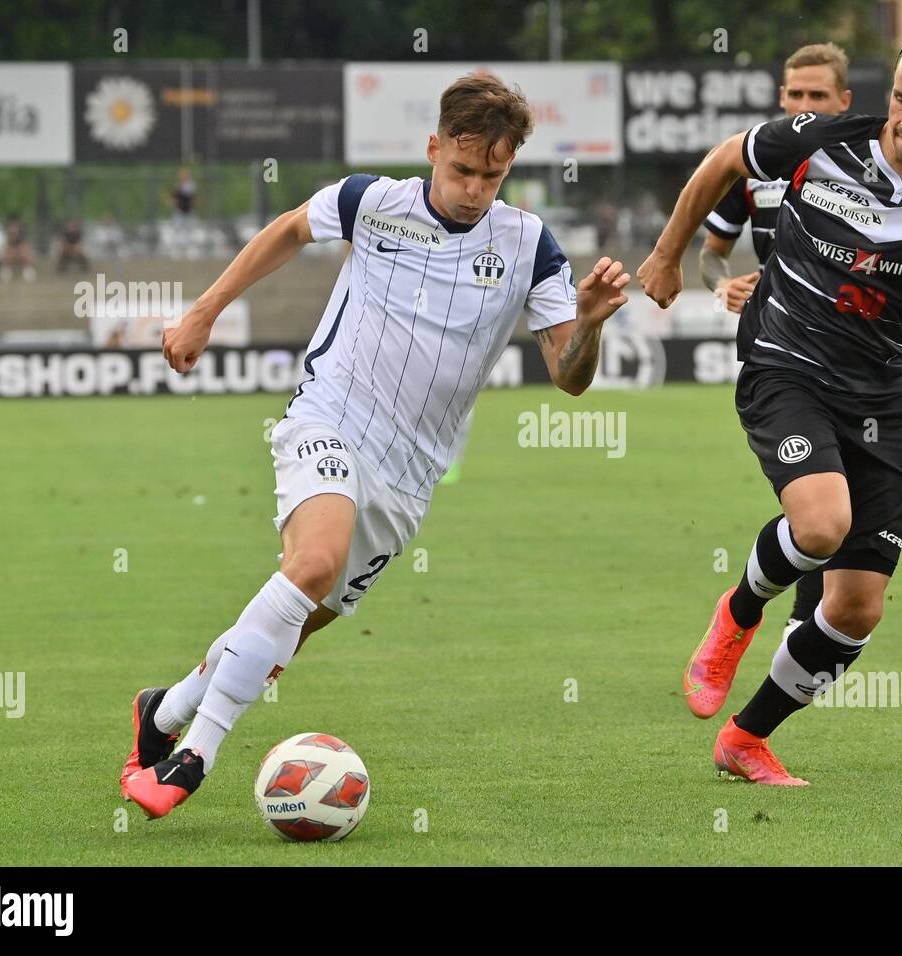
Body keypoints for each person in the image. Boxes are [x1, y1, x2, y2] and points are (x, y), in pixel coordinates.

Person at [120, 74, 632, 818]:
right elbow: (290, 229)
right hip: (330, 418)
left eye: (492, 175)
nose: (474, 190)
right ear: (433, 149)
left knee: (293, 621)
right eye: (461, 170)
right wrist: (202, 313)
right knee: (313, 562)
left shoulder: (530, 247)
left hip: (413, 474)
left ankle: (162, 711)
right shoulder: (373, 202)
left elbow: (570, 379)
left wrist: (588, 324)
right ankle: (195, 751)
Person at [640, 31, 902, 785]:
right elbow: (722, 163)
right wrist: (668, 253)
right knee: (820, 523)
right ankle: (739, 613)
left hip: (878, 397)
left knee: (856, 609)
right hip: (786, 365)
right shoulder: (824, 138)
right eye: (900, 97)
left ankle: (746, 738)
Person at [700, 42, 853, 642]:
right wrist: (723, 286)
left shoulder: (868, 171)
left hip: (851, 349)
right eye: (796, 95)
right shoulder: (758, 167)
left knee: (836, 498)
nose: (805, 105)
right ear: (781, 98)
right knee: (816, 491)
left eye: (819, 96)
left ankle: (796, 620)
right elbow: (710, 258)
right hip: (777, 346)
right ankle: (789, 618)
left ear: (844, 102)